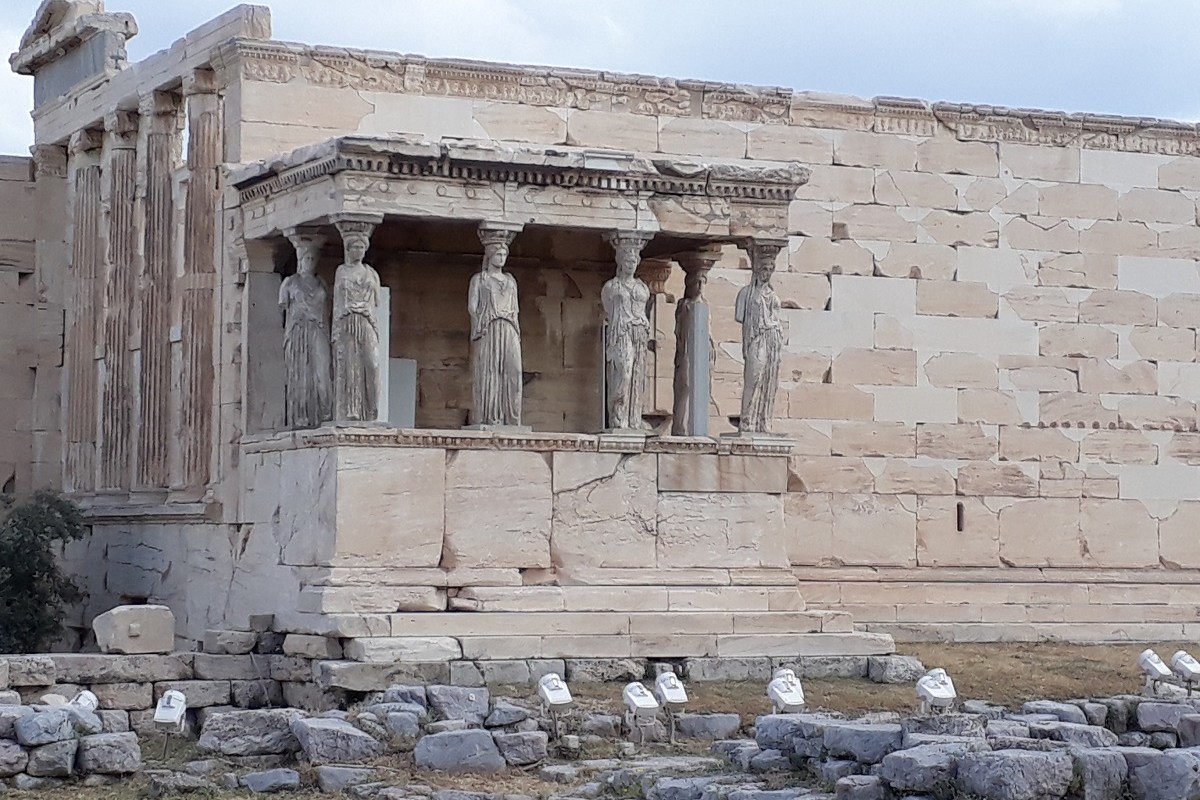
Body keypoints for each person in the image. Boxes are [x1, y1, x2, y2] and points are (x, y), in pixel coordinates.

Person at [468, 228, 522, 426]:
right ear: (490, 255)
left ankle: (512, 418)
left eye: (504, 254)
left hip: (509, 328)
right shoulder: (479, 280)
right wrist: (480, 325)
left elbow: (515, 308)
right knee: (490, 372)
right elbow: (472, 307)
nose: (502, 258)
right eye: (498, 254)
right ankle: (491, 417)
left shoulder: (510, 281)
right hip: (489, 328)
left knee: (513, 370)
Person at [279, 235, 333, 428]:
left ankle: (325, 414)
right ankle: (300, 416)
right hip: (297, 331)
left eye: (312, 258)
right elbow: (283, 307)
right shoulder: (290, 283)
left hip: (318, 329)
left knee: (321, 373)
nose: (309, 262)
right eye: (305, 258)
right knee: (299, 373)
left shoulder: (322, 284)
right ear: (299, 259)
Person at [332, 227, 381, 422]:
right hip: (348, 321)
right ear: (348, 249)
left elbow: (377, 301)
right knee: (351, 367)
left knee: (373, 365)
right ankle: (351, 412)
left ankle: (372, 411)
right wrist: (335, 332)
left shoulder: (372, 273)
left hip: (367, 321)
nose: (359, 251)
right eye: (355, 247)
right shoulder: (341, 271)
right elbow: (337, 302)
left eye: (362, 247)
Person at [601, 241, 651, 430]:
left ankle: (633, 419)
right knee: (624, 371)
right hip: (620, 332)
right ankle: (617, 416)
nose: (631, 265)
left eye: (634, 261)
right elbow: (607, 308)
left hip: (639, 332)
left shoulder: (642, 287)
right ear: (620, 261)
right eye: (627, 261)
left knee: (638, 375)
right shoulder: (611, 287)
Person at [735, 245, 784, 434]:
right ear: (756, 269)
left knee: (769, 381)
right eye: (764, 269)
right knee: (754, 377)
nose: (767, 273)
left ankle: (764, 422)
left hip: (773, 338)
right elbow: (740, 316)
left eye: (771, 269)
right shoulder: (745, 294)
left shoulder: (773, 295)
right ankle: (746, 421)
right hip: (757, 338)